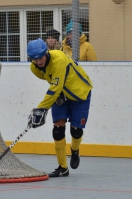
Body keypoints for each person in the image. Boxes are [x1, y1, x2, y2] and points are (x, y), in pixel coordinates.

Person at [26, 38, 93, 177]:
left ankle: (75, 151)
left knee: (76, 131)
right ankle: (63, 168)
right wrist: (60, 92)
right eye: (34, 59)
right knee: (58, 129)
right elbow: (52, 81)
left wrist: (41, 108)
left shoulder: (59, 59)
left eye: (40, 57)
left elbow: (55, 86)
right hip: (60, 94)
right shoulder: (34, 68)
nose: (38, 62)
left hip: (80, 93)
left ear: (47, 52)